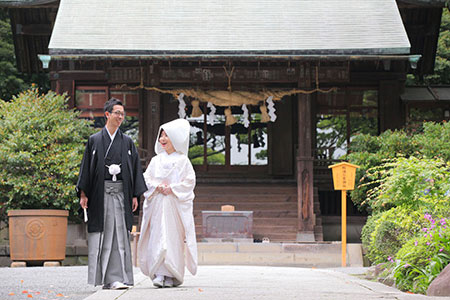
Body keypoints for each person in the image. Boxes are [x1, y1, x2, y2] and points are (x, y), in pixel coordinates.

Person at [76, 98, 147, 290]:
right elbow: (86, 169)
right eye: (117, 113)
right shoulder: (95, 140)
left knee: (119, 236)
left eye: (123, 114)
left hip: (122, 195)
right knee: (103, 235)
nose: (121, 117)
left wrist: (134, 195)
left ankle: (117, 278)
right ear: (107, 114)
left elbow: (134, 170)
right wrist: (83, 193)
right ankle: (106, 278)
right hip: (101, 195)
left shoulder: (127, 142)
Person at [138, 118, 198, 288]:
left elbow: (189, 181)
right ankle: (159, 273)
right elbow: (146, 179)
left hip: (174, 204)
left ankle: (171, 274)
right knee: (157, 236)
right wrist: (157, 186)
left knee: (173, 238)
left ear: (175, 139)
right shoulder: (156, 160)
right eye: (161, 136)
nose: (162, 139)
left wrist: (172, 188)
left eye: (166, 136)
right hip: (157, 203)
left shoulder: (183, 161)